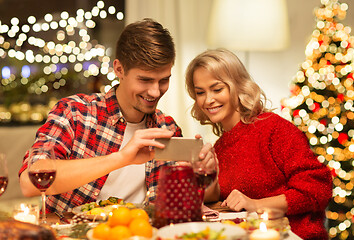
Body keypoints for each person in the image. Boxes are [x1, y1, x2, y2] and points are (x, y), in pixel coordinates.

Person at [18, 18, 213, 213]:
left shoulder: (168, 129)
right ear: (119, 69)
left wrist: (205, 172)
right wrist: (121, 158)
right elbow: (29, 182)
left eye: (163, 80)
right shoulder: (74, 113)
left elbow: (184, 203)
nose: (155, 91)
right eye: (145, 80)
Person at [185, 48, 332, 240]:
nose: (208, 100)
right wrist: (206, 176)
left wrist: (256, 204)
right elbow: (222, 200)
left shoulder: (273, 128)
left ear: (236, 85)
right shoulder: (220, 146)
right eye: (200, 92)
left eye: (217, 89)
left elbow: (318, 188)